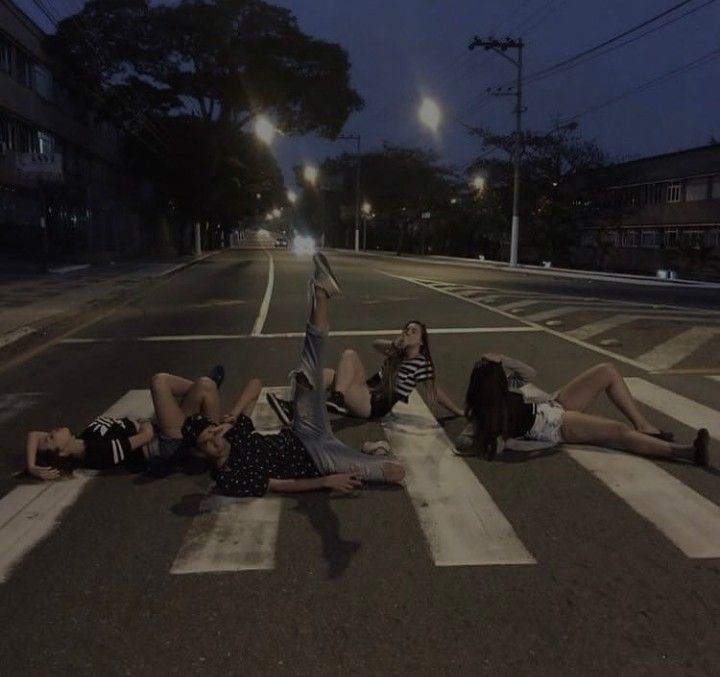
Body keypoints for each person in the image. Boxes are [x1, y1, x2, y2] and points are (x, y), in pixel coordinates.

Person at [180, 253, 406, 496]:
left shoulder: (235, 434)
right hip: (322, 461)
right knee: (395, 473)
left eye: (211, 434)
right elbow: (277, 485)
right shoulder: (228, 476)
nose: (214, 441)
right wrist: (326, 482)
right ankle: (377, 449)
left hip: (304, 431)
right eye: (207, 443)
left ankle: (321, 292)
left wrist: (231, 418)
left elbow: (255, 385)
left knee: (309, 369)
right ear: (201, 452)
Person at [456, 355, 709, 465]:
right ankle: (686, 452)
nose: (507, 377)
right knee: (616, 431)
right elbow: (464, 441)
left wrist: (502, 358)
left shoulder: (505, 391)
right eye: (502, 375)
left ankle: (644, 426)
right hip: (555, 425)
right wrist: (489, 439)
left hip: (553, 404)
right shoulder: (485, 418)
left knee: (606, 371)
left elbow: (529, 373)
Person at [25, 366, 225, 480]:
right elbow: (145, 436)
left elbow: (33, 434)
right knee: (160, 381)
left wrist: (32, 466)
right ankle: (216, 448)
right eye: (51, 437)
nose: (51, 431)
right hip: (166, 444)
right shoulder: (95, 453)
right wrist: (144, 423)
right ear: (62, 452)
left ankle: (204, 401)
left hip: (162, 433)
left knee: (204, 387)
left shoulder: (86, 437)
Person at [267, 320, 464, 425]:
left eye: (413, 331)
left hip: (374, 404)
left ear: (421, 341)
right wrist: (394, 345)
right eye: (406, 329)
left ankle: (336, 397)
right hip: (365, 392)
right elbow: (375, 344)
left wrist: (457, 412)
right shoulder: (397, 353)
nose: (407, 332)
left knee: (350, 355)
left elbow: (434, 391)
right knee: (328, 374)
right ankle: (295, 408)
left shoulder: (421, 363)